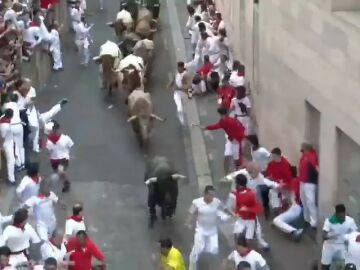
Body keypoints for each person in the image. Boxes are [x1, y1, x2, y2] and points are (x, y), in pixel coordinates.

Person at [186, 185, 230, 270]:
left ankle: (206, 263)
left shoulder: (217, 202)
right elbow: (191, 212)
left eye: (213, 195)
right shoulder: (196, 202)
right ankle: (192, 267)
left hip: (212, 230)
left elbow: (225, 209)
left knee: (214, 250)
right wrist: (188, 222)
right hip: (201, 229)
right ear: (205, 194)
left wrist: (231, 214)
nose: (212, 197)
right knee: (197, 250)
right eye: (210, 195)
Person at [227, 174, 261, 247]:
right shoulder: (249, 193)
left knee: (246, 241)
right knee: (239, 239)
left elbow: (258, 208)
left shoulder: (249, 194)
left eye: (235, 182)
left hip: (250, 220)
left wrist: (247, 209)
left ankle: (246, 253)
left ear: (238, 184)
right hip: (241, 220)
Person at [321, 204, 357, 270]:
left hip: (342, 246)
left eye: (342, 215)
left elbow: (355, 234)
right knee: (325, 267)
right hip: (329, 246)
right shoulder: (329, 221)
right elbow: (323, 236)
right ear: (336, 214)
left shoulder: (350, 221)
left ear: (345, 213)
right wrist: (330, 236)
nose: (341, 217)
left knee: (350, 265)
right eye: (339, 215)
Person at [272, 166, 303, 241]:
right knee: (278, 219)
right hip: (296, 207)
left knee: (276, 220)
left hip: (297, 208)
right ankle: (294, 230)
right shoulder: (296, 180)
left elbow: (291, 198)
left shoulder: (293, 182)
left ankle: (294, 231)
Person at [46, 121, 74, 192]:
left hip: (64, 159)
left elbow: (71, 145)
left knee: (60, 171)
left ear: (58, 129)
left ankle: (49, 185)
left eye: (56, 130)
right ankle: (66, 183)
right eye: (53, 130)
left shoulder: (65, 138)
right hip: (54, 160)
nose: (55, 132)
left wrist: (70, 155)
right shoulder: (48, 140)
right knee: (60, 174)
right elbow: (48, 151)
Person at [265, 147, 293, 212]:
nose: (273, 158)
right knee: (274, 198)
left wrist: (283, 183)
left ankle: (288, 209)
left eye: (274, 156)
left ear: (278, 156)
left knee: (286, 200)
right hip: (275, 184)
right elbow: (268, 174)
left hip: (285, 185)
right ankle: (277, 210)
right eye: (272, 156)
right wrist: (269, 178)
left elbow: (288, 177)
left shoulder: (285, 163)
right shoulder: (271, 164)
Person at [299, 142, 319, 229]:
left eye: (303, 149)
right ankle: (306, 219)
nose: (302, 151)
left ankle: (314, 222)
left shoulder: (312, 156)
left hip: (309, 182)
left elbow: (316, 168)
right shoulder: (304, 156)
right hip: (302, 181)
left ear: (307, 149)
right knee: (304, 201)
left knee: (310, 202)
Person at [3, 93, 25, 170]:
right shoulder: (17, 105)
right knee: (20, 146)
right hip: (19, 125)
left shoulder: (6, 105)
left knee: (15, 146)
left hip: (12, 126)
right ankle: (23, 163)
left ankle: (18, 164)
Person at [0, 109, 16, 185]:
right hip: (7, 143)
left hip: (9, 140)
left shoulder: (2, 117)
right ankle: (11, 179)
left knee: (11, 159)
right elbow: (3, 136)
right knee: (11, 161)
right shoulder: (4, 126)